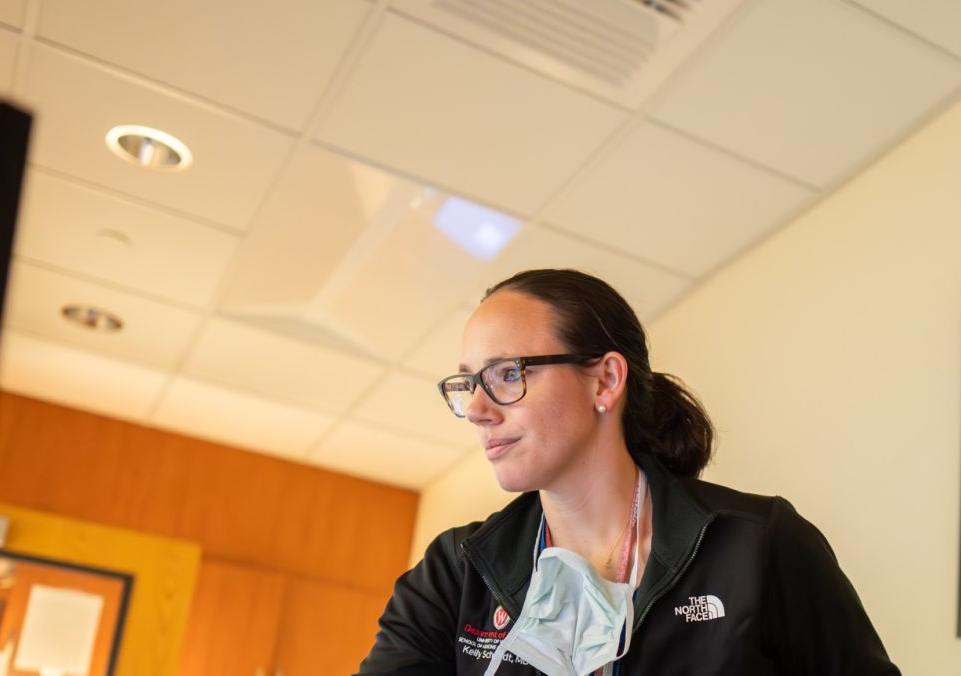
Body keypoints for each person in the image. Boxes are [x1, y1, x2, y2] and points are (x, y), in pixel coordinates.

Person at [357, 269, 899, 675]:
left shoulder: (757, 546)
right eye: (467, 383)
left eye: (507, 373)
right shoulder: (454, 576)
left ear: (604, 381)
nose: (477, 408)